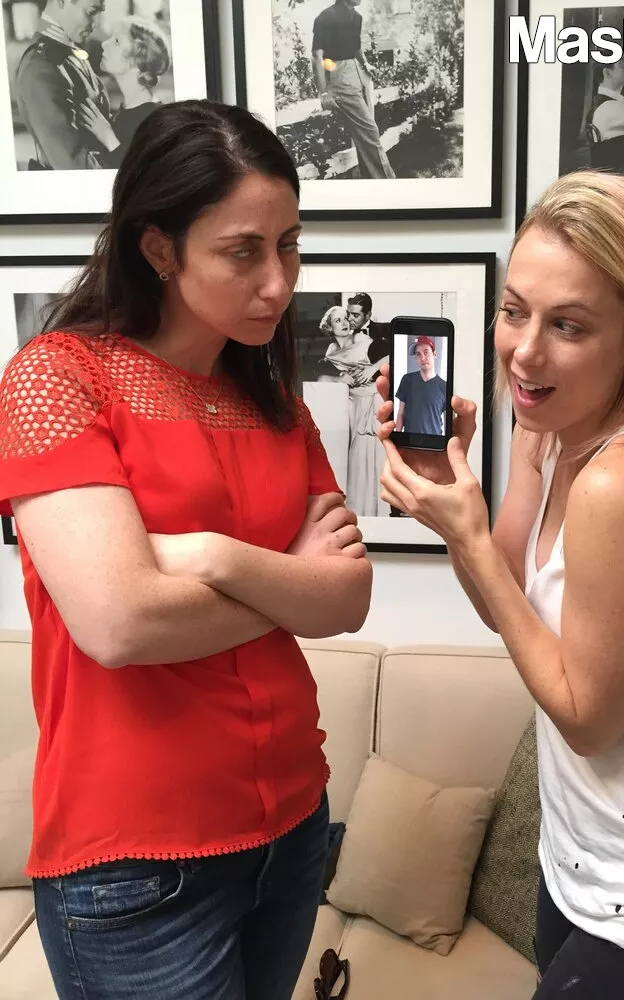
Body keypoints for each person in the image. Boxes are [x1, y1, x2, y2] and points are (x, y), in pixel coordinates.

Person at [374, 170, 624, 1000]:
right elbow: (504, 609)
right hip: (584, 871)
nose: (525, 351)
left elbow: (589, 721)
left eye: (567, 324)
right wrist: (452, 499)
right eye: (514, 310)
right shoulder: (548, 435)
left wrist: (467, 536)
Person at [0, 99, 372, 1000]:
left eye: (289, 245)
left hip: (294, 822)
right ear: (159, 249)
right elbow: (121, 623)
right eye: (243, 251)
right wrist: (290, 575)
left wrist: (213, 554)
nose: (277, 282)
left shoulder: (274, 401)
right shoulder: (57, 375)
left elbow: (347, 600)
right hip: (138, 862)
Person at [14, 0, 109, 170]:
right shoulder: (41, 66)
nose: (96, 23)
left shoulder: (70, 54)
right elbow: (73, 164)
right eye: (91, 12)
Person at [310, 0, 396, 179]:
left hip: (359, 75)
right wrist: (323, 92)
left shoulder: (357, 17)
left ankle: (372, 185)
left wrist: (366, 63)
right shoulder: (325, 17)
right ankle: (388, 184)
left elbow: (356, 48)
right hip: (340, 77)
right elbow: (317, 56)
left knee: (365, 138)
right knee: (370, 133)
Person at [316, 304, 386, 515]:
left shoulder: (362, 340)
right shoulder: (331, 351)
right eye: (338, 320)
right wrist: (338, 378)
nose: (345, 323)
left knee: (373, 458)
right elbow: (321, 377)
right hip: (351, 405)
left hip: (372, 404)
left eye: (345, 318)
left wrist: (373, 368)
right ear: (330, 328)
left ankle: (377, 513)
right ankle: (358, 512)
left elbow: (393, 354)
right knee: (354, 462)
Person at [78, 15, 171, 168]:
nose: (104, 44)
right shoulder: (125, 110)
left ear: (137, 59)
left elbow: (143, 174)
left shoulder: (154, 120)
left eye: (116, 41)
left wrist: (108, 137)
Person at [394, 336, 447, 436]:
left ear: (434, 354)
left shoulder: (445, 387)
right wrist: (398, 438)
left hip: (434, 442)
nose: (423, 358)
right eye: (418, 354)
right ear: (416, 358)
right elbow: (401, 413)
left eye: (426, 352)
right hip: (409, 440)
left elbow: (448, 421)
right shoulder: (407, 380)